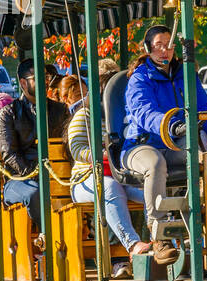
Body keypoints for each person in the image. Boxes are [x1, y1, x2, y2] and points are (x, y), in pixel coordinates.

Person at [121, 24, 207, 244]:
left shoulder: (186, 75)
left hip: (175, 143)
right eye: (158, 46)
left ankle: (206, 222)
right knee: (155, 163)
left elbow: (203, 109)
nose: (164, 51)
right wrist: (172, 126)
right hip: (141, 145)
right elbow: (144, 112)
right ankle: (158, 234)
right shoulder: (139, 79)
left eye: (168, 46)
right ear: (148, 49)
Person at [67, 75, 157, 271]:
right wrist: (101, 154)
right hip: (86, 179)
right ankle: (133, 244)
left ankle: (159, 240)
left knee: (149, 189)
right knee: (109, 186)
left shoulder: (120, 117)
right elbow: (76, 148)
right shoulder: (85, 115)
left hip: (120, 175)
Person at [0, 58, 69, 231]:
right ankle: (50, 235)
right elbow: (9, 154)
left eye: (46, 77)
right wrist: (36, 174)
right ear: (23, 82)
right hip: (19, 180)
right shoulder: (9, 113)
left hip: (58, 175)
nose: (45, 82)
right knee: (36, 193)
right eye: (38, 78)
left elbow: (67, 145)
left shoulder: (60, 110)